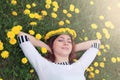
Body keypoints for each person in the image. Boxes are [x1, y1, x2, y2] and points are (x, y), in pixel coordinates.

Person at [17, 28, 101, 80]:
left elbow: (96, 43)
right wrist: (48, 48)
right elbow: (22, 36)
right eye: (60, 40)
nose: (66, 43)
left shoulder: (79, 66)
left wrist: (71, 49)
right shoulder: (43, 65)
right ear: (52, 45)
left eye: (69, 41)